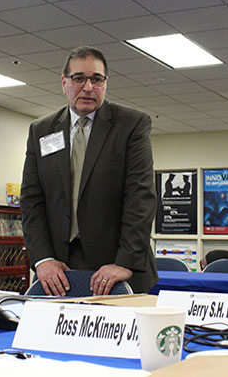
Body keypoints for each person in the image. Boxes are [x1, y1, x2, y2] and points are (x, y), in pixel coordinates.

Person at [20, 46, 157, 296]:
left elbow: (141, 199)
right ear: (64, 82)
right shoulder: (41, 131)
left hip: (117, 269)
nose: (88, 87)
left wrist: (124, 262)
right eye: (79, 78)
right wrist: (42, 259)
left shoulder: (132, 125)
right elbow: (32, 201)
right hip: (58, 271)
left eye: (96, 79)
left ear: (106, 83)